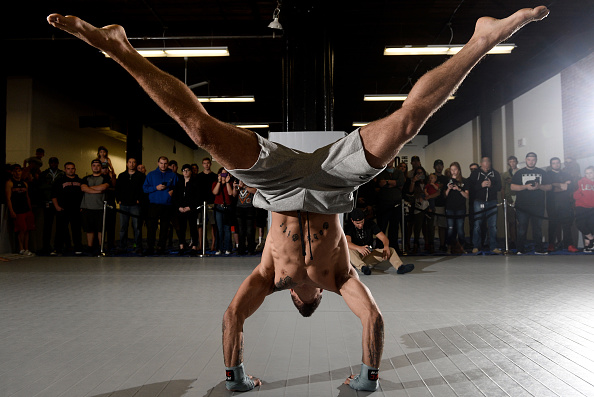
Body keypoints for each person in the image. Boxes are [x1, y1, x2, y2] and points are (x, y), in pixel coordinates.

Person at [47, 6, 549, 390]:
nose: (301, 293)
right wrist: (368, 377)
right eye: (302, 297)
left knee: (199, 129)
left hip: (277, 184)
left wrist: (235, 374)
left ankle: (118, 48)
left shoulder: (271, 277)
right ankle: (483, 38)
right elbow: (373, 318)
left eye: (297, 296)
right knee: (407, 122)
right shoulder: (340, 277)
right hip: (334, 182)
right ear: (308, 298)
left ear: (290, 297)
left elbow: (232, 317)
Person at [345, 208, 411, 275]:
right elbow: (347, 242)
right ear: (352, 220)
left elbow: (383, 238)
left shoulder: (370, 224)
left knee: (391, 250)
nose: (360, 225)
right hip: (355, 258)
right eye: (357, 223)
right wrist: (359, 248)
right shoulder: (349, 227)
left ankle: (400, 267)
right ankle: (362, 267)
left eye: (362, 222)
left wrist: (386, 246)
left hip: (368, 255)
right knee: (348, 249)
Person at [511, 152, 552, 254]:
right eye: (529, 159)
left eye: (533, 160)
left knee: (537, 228)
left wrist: (539, 187)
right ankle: (520, 249)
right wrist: (526, 187)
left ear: (536, 160)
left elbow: (549, 187)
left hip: (538, 206)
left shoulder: (542, 172)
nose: (531, 161)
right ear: (525, 160)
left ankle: (539, 249)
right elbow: (512, 187)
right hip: (522, 206)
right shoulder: (519, 173)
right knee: (522, 229)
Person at [143, 156, 178, 255]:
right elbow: (145, 188)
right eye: (161, 163)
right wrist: (155, 187)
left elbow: (177, 188)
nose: (163, 165)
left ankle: (161, 247)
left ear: (168, 164)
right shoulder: (151, 174)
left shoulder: (173, 175)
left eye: (165, 163)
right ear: (158, 163)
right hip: (154, 204)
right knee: (151, 227)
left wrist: (173, 191)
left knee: (164, 227)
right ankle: (150, 246)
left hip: (167, 204)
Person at [469, 156, 501, 254]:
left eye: (488, 165)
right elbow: (470, 187)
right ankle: (476, 246)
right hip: (479, 201)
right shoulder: (475, 173)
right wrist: (481, 185)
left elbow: (499, 187)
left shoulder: (495, 173)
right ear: (481, 164)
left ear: (490, 164)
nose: (486, 167)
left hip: (492, 201)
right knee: (477, 225)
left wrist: (491, 186)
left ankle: (493, 246)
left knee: (493, 225)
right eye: (484, 165)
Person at [80, 159, 112, 253]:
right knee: (89, 229)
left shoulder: (105, 178)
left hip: (100, 207)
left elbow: (104, 187)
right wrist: (97, 190)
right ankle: (90, 247)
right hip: (87, 207)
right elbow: (83, 188)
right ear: (91, 167)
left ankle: (100, 247)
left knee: (100, 229)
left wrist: (89, 189)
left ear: (101, 167)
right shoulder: (86, 178)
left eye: (98, 165)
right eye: (94, 165)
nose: (96, 167)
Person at [52, 162, 84, 255]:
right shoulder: (59, 181)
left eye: (72, 168)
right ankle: (58, 249)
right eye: (68, 168)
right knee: (60, 230)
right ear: (65, 170)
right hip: (63, 209)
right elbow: (54, 195)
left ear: (75, 169)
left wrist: (82, 206)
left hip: (76, 210)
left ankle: (78, 248)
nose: (71, 170)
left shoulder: (80, 181)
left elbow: (84, 195)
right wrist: (57, 206)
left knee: (77, 230)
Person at [546, 157, 577, 252]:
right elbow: (550, 187)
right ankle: (551, 244)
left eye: (558, 163)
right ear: (551, 165)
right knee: (552, 224)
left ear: (560, 164)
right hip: (552, 203)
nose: (556, 165)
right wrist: (562, 185)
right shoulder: (547, 174)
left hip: (565, 203)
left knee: (566, 225)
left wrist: (557, 185)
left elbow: (571, 187)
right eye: (554, 163)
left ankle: (569, 245)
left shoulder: (566, 174)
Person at [115, 157, 145, 254]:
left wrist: (139, 200)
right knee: (123, 227)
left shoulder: (141, 176)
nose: (132, 164)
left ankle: (138, 246)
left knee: (137, 227)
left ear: (136, 164)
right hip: (123, 204)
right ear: (127, 164)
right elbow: (117, 188)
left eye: (134, 162)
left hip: (135, 205)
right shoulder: (122, 175)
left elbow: (143, 190)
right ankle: (122, 246)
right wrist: (118, 200)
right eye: (130, 162)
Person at [375, 158, 405, 252]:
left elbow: (400, 182)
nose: (389, 161)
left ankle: (393, 248)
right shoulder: (380, 172)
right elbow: (380, 183)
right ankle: (380, 248)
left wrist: (387, 182)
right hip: (383, 204)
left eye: (391, 159)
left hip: (396, 204)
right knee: (381, 227)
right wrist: (394, 183)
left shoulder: (399, 172)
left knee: (394, 228)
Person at [5, 164, 35, 255]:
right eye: (16, 171)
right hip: (17, 210)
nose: (18, 173)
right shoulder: (10, 183)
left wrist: (30, 210)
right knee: (21, 229)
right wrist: (11, 211)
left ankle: (26, 248)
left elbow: (27, 197)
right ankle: (21, 248)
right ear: (12, 172)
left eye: (19, 171)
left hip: (26, 209)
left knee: (27, 230)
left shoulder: (24, 183)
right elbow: (8, 198)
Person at [173, 164, 201, 255]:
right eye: (184, 170)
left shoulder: (195, 183)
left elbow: (198, 198)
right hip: (180, 209)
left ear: (191, 172)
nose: (185, 172)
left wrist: (190, 207)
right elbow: (175, 197)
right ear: (182, 171)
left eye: (187, 170)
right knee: (181, 228)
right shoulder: (179, 183)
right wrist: (179, 207)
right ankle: (182, 246)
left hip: (191, 209)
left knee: (193, 228)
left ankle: (194, 246)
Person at [39, 157, 64, 254]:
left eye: (55, 162)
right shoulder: (44, 174)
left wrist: (52, 186)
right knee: (47, 226)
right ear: (49, 163)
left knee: (60, 226)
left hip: (59, 202)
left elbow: (61, 187)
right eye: (51, 162)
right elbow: (40, 186)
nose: (53, 164)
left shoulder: (61, 174)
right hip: (48, 201)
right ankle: (46, 246)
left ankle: (58, 246)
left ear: (57, 163)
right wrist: (54, 186)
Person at [445, 162, 469, 254]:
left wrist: (459, 189)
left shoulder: (464, 181)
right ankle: (450, 247)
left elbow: (467, 195)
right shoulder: (448, 180)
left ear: (458, 170)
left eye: (455, 169)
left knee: (460, 229)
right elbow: (445, 195)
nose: (453, 171)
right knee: (450, 229)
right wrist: (449, 188)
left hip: (460, 208)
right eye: (451, 170)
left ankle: (462, 247)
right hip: (450, 207)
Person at [197, 157, 218, 251]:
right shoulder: (198, 176)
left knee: (213, 224)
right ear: (202, 164)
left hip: (212, 203)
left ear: (210, 164)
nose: (206, 165)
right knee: (200, 225)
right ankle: (201, 244)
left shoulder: (214, 176)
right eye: (204, 163)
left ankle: (213, 244)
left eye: (208, 163)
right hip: (201, 203)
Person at [212, 168, 234, 255]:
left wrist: (227, 182)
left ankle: (228, 248)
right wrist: (219, 181)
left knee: (227, 229)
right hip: (218, 207)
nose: (224, 176)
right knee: (219, 229)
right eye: (222, 174)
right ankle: (219, 248)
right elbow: (215, 192)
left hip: (228, 208)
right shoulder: (215, 183)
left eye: (225, 174)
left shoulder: (231, 183)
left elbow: (230, 193)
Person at [233, 178, 257, 255]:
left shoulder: (251, 181)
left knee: (250, 230)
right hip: (239, 208)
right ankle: (241, 249)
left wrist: (245, 186)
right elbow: (233, 194)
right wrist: (235, 187)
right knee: (240, 230)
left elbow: (255, 191)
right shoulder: (237, 180)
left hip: (249, 208)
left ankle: (251, 249)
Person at [573, 166, 594, 253]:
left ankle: (588, 246)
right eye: (586, 173)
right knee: (580, 224)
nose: (588, 175)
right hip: (581, 207)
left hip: (591, 208)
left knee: (590, 226)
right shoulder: (581, 182)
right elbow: (575, 195)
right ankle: (592, 240)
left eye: (590, 173)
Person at [501, 155, 519, 249]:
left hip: (520, 198)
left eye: (514, 161)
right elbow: (503, 188)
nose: (512, 163)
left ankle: (520, 240)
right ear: (508, 163)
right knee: (511, 221)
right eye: (510, 161)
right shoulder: (504, 174)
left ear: (517, 162)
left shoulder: (520, 172)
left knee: (521, 221)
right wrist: (504, 200)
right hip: (509, 198)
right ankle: (513, 240)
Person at [432, 159, 449, 252]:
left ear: (442, 167)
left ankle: (442, 245)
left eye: (440, 165)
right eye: (437, 165)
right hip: (432, 205)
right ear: (434, 167)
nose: (439, 167)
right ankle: (431, 245)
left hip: (442, 205)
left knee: (442, 227)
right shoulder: (430, 177)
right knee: (432, 227)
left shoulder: (445, 179)